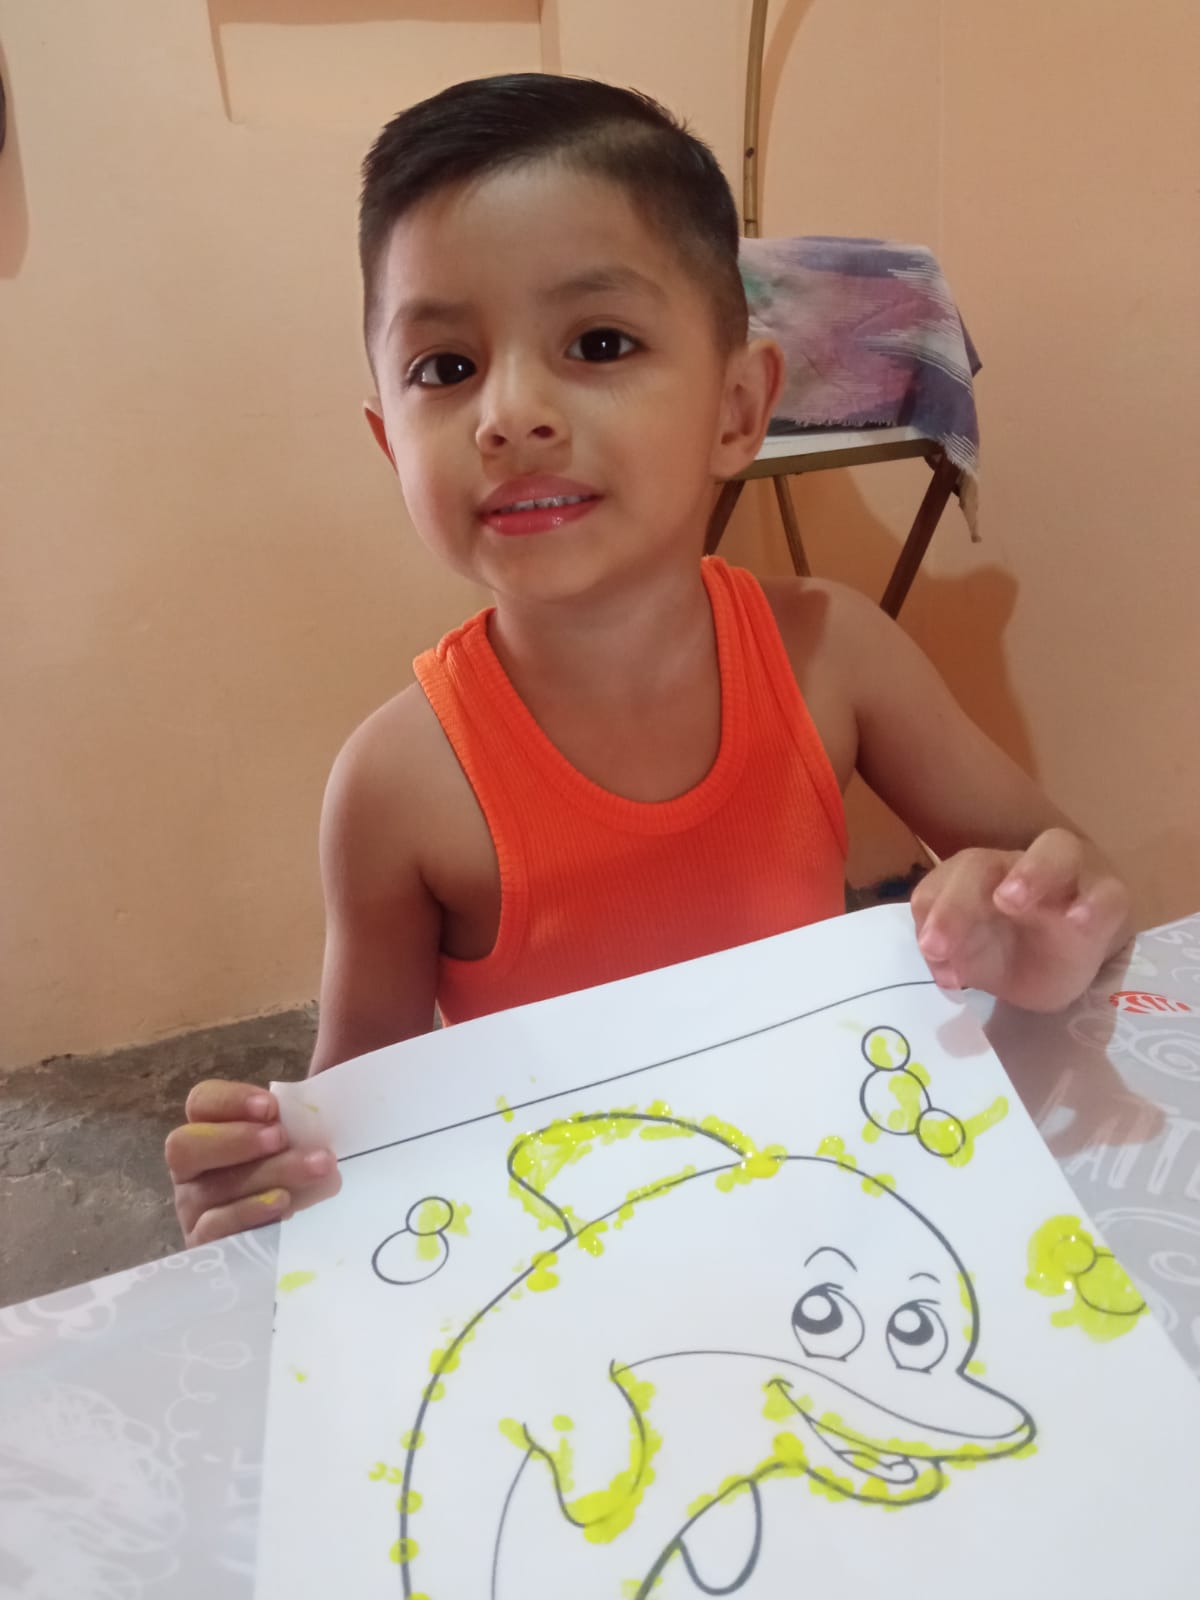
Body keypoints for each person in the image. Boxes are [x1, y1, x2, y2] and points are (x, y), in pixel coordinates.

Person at [166, 74, 1132, 1247]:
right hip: (568, 1259)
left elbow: (1075, 881)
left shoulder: (836, 655)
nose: (508, 413)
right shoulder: (394, 790)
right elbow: (361, 1129)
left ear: (737, 410)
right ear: (388, 440)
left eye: (599, 342)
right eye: (444, 368)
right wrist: (275, 1181)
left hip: (825, 1211)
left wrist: (1042, 930)